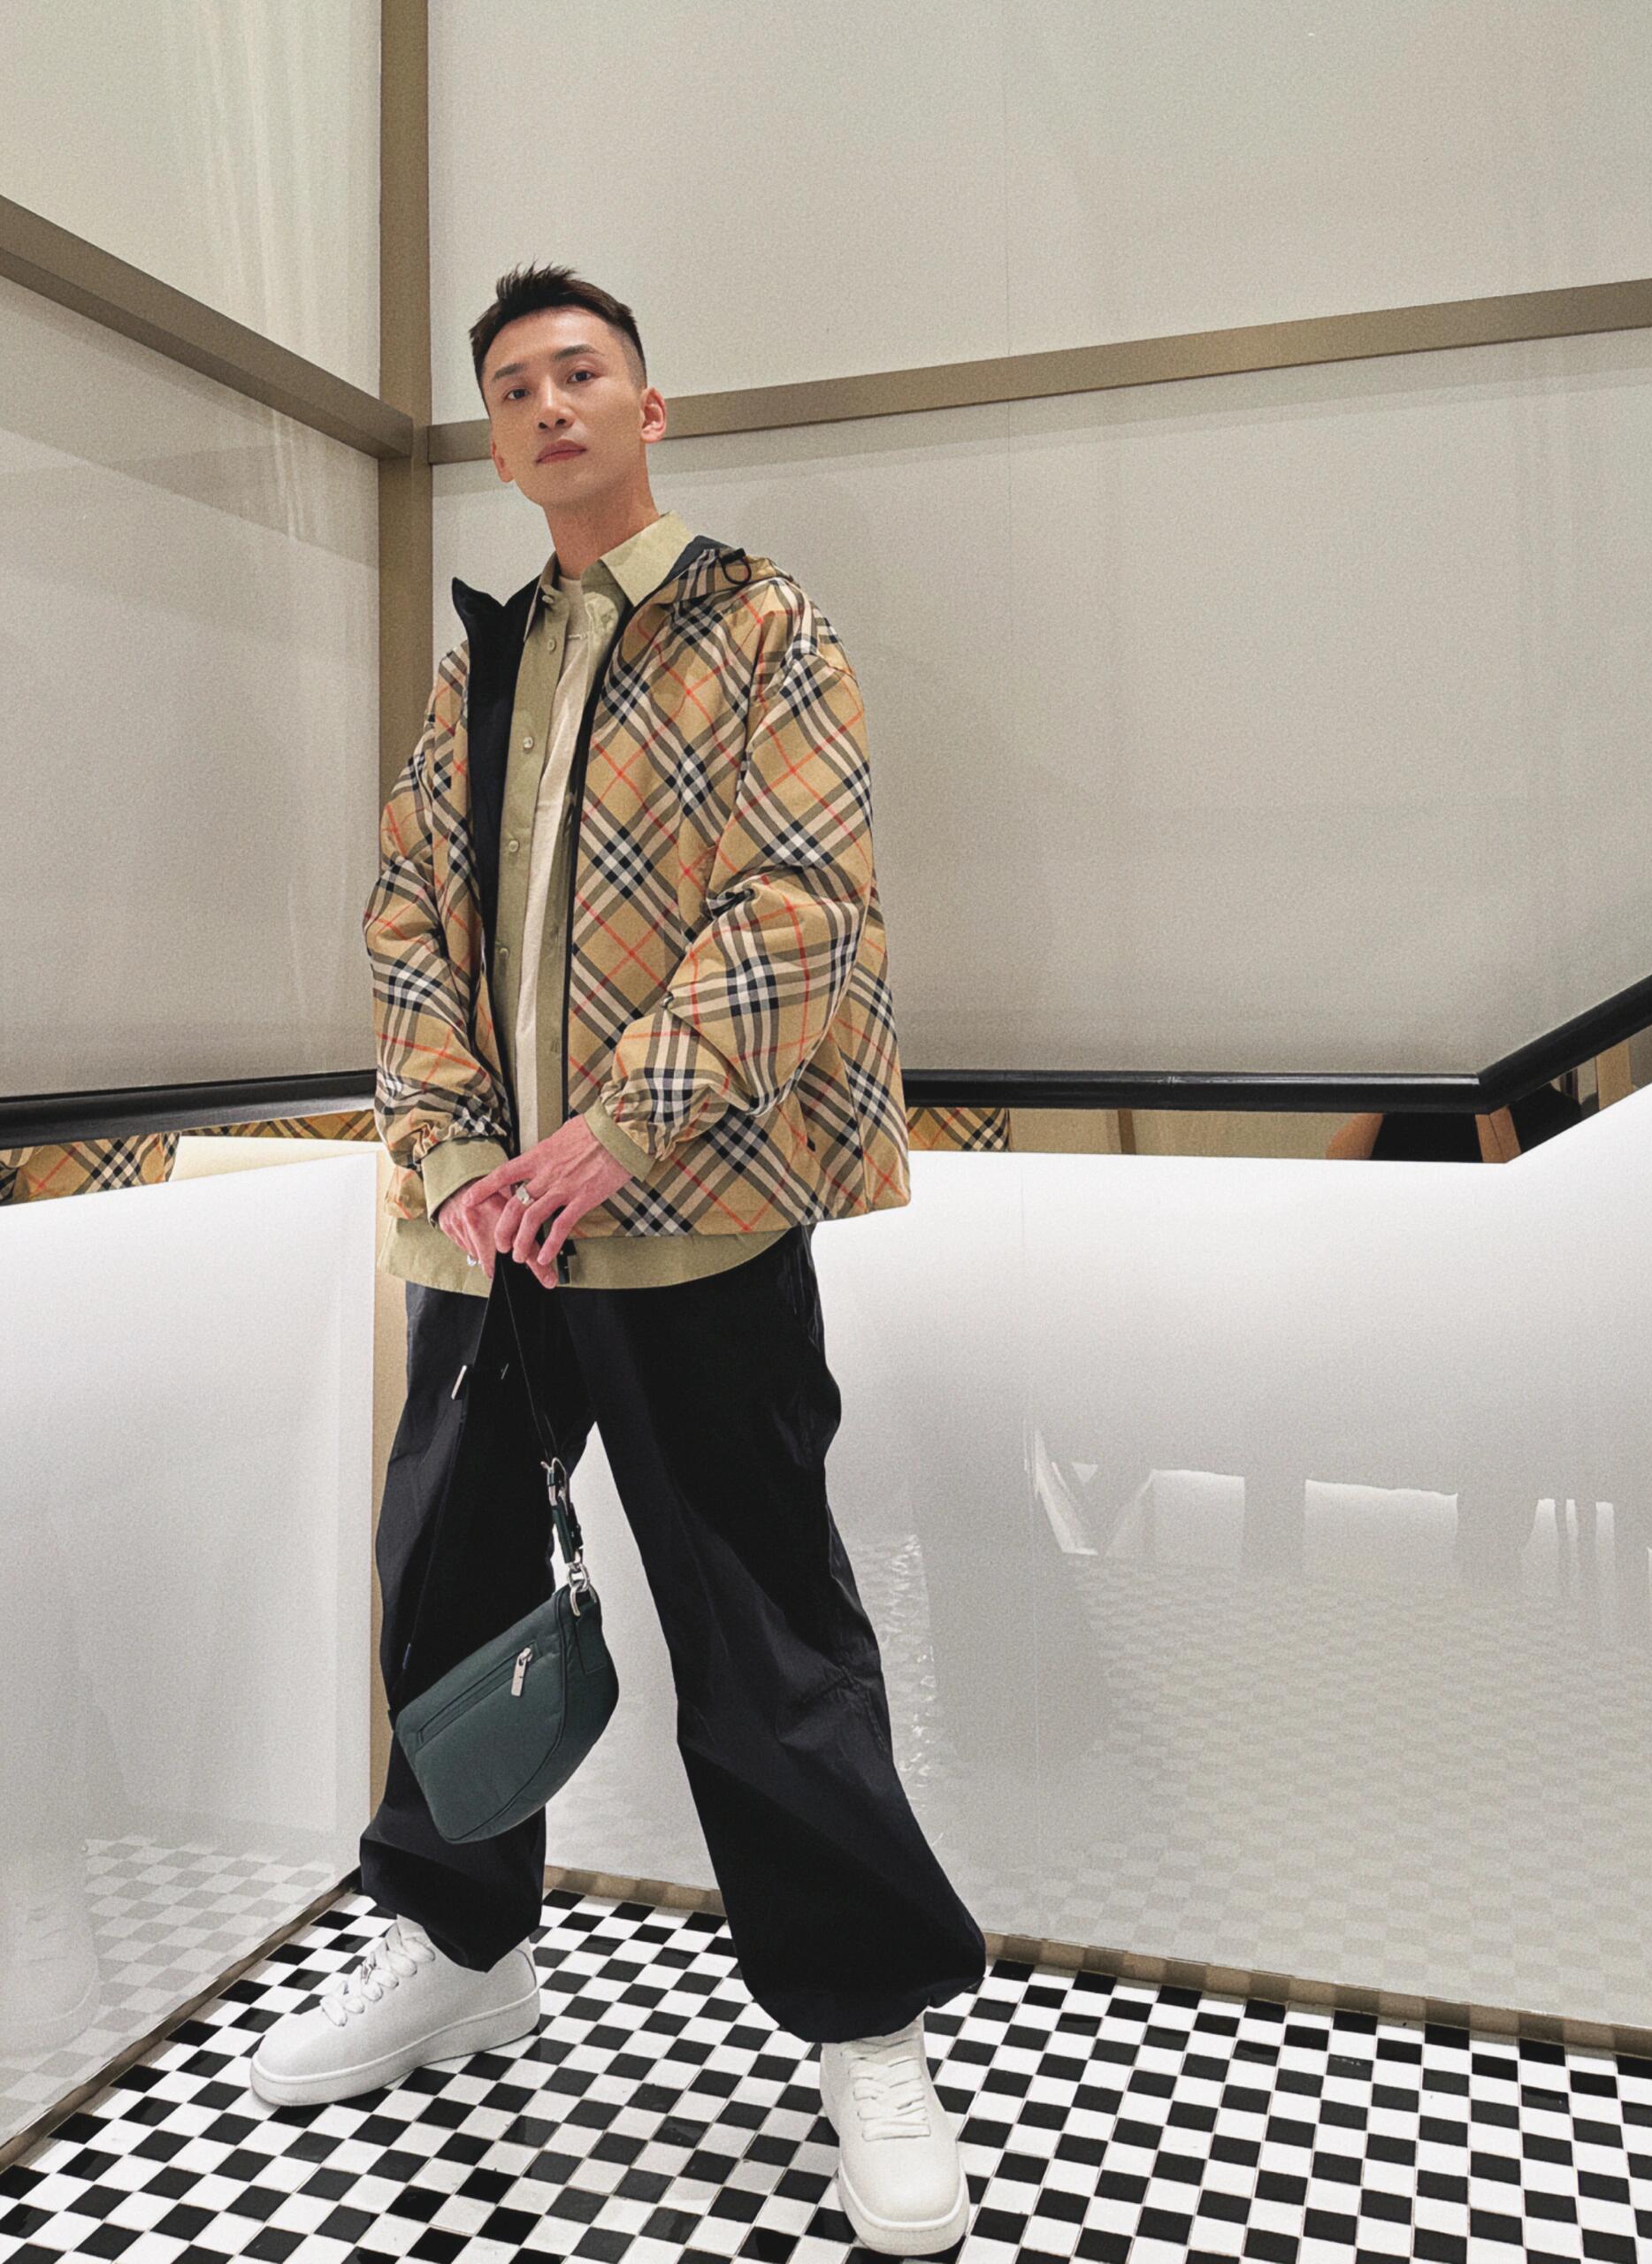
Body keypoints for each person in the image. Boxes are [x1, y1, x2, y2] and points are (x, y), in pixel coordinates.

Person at [245, 261, 984, 2256]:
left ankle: (865, 2021)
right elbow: (407, 915)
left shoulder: (758, 624)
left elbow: (803, 906)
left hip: (689, 1218)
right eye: (512, 387)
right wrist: (460, 1147)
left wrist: (615, 1127)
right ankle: (460, 1947)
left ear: (647, 409)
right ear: (497, 441)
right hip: (489, 1236)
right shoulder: (476, 663)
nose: (547, 404)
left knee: (764, 1630)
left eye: (578, 373)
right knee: (445, 1592)